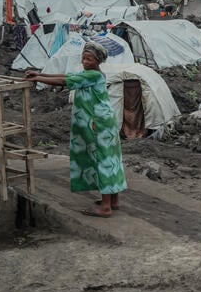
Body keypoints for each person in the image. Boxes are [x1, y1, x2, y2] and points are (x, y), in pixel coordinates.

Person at [24, 43, 126, 217]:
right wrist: (40, 74)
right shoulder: (90, 74)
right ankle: (113, 200)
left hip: (97, 123)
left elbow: (64, 81)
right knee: (109, 158)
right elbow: (68, 75)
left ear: (98, 61)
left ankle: (105, 207)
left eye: (89, 59)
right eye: (84, 58)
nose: (85, 61)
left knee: (102, 160)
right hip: (103, 122)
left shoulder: (93, 75)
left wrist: (37, 79)